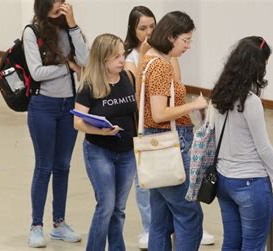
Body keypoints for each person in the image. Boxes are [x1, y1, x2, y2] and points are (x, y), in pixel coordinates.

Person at [124, 6, 215, 248]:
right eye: (185, 40)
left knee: (161, 218)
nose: (187, 46)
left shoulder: (148, 59)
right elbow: (159, 113)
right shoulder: (161, 67)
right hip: (170, 145)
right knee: (189, 214)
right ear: (170, 37)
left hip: (156, 145)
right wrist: (193, 105)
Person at [210, 36, 273, 250]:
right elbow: (263, 148)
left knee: (231, 242)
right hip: (249, 182)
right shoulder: (250, 102)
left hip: (224, 180)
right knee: (253, 245)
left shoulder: (220, 94)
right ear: (257, 65)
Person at [23, 0, 88, 248]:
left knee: (63, 166)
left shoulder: (69, 30)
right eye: (54, 1)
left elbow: (85, 59)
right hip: (43, 106)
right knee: (44, 167)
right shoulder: (33, 32)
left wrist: (72, 25)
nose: (59, 5)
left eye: (62, 1)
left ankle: (59, 224)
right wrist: (68, 67)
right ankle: (36, 225)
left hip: (69, 106)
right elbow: (37, 73)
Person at [73, 33, 137, 251]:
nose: (122, 60)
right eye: (116, 57)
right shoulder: (89, 85)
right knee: (106, 206)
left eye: (123, 54)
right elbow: (78, 122)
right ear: (102, 59)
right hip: (99, 151)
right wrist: (102, 132)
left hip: (128, 152)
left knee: (118, 208)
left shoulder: (129, 77)